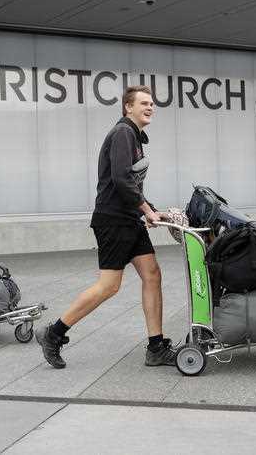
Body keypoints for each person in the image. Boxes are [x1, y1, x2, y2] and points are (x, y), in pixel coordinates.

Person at [36, 85, 176, 369]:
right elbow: (122, 180)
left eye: (152, 104)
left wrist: (150, 210)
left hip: (128, 219)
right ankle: (53, 333)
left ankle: (156, 346)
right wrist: (146, 210)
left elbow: (130, 184)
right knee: (109, 286)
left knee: (152, 274)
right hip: (113, 220)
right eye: (144, 103)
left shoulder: (134, 136)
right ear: (128, 107)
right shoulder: (123, 132)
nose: (150, 108)